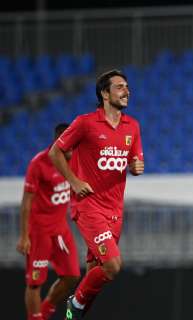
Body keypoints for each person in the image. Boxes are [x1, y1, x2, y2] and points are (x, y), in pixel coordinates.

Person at [48, 69, 144, 319]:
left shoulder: (132, 126)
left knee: (94, 279)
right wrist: (74, 180)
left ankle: (73, 313)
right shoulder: (85, 123)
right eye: (120, 87)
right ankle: (73, 305)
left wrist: (136, 167)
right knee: (113, 266)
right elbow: (55, 153)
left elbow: (135, 162)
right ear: (104, 93)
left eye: (127, 86)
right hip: (88, 206)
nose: (127, 91)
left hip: (115, 210)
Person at [17, 123, 80, 320]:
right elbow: (26, 201)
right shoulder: (39, 163)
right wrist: (24, 236)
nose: (71, 147)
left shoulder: (74, 159)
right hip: (39, 231)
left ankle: (45, 311)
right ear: (57, 141)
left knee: (72, 276)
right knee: (35, 282)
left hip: (60, 228)